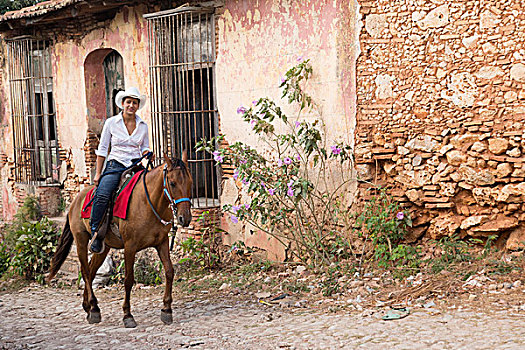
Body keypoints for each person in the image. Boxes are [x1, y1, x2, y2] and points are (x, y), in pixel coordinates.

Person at [89, 87, 151, 254]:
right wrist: (98, 173)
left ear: (138, 106)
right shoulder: (111, 123)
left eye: (135, 103)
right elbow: (102, 150)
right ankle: (96, 232)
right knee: (103, 194)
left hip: (135, 165)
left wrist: (147, 153)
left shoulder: (143, 126)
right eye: (128, 102)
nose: (131, 105)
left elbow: (144, 147)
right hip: (115, 164)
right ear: (122, 104)